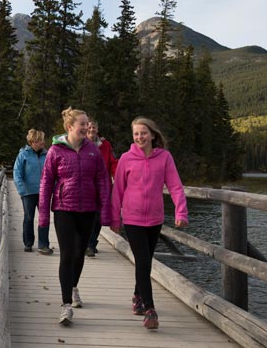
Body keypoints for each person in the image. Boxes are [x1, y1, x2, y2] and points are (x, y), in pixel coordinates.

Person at [110, 117, 188, 330]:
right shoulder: (126, 158)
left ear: (153, 135)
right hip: (132, 219)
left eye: (143, 133)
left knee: (145, 262)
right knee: (143, 261)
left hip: (154, 219)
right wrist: (115, 218)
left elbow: (175, 186)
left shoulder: (165, 158)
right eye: (136, 134)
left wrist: (181, 211)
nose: (139, 137)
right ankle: (150, 309)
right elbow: (117, 191)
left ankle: (137, 295)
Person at [39, 108, 112, 325]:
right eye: (82, 124)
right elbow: (45, 184)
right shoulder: (55, 151)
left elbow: (102, 180)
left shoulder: (93, 151)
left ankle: (73, 287)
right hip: (64, 209)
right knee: (67, 254)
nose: (87, 127)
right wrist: (43, 216)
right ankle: (65, 305)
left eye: (88, 124)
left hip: (88, 209)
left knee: (80, 254)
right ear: (70, 127)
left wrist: (105, 210)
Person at [13, 129, 52, 254]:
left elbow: (53, 172)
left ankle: (44, 244)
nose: (43, 142)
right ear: (33, 142)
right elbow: (17, 173)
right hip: (28, 193)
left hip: (44, 192)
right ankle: (28, 243)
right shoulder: (23, 155)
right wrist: (22, 190)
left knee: (44, 218)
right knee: (29, 218)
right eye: (40, 140)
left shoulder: (48, 154)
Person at [85, 119, 118, 257]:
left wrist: (117, 178)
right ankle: (88, 244)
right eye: (89, 127)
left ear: (97, 130)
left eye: (94, 127)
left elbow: (113, 163)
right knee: (87, 217)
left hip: (102, 187)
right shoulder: (81, 143)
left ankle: (91, 244)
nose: (92, 129)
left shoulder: (105, 145)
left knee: (98, 218)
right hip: (86, 187)